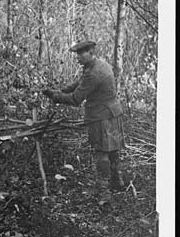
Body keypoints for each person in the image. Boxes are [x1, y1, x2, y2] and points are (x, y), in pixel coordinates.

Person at [42, 40, 125, 203]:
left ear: (90, 52)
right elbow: (80, 83)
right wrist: (61, 90)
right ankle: (117, 182)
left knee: (102, 153)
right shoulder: (99, 65)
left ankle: (103, 194)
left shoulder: (94, 73)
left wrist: (55, 96)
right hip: (113, 113)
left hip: (102, 116)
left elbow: (76, 99)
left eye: (80, 54)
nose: (78, 58)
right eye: (77, 54)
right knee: (113, 151)